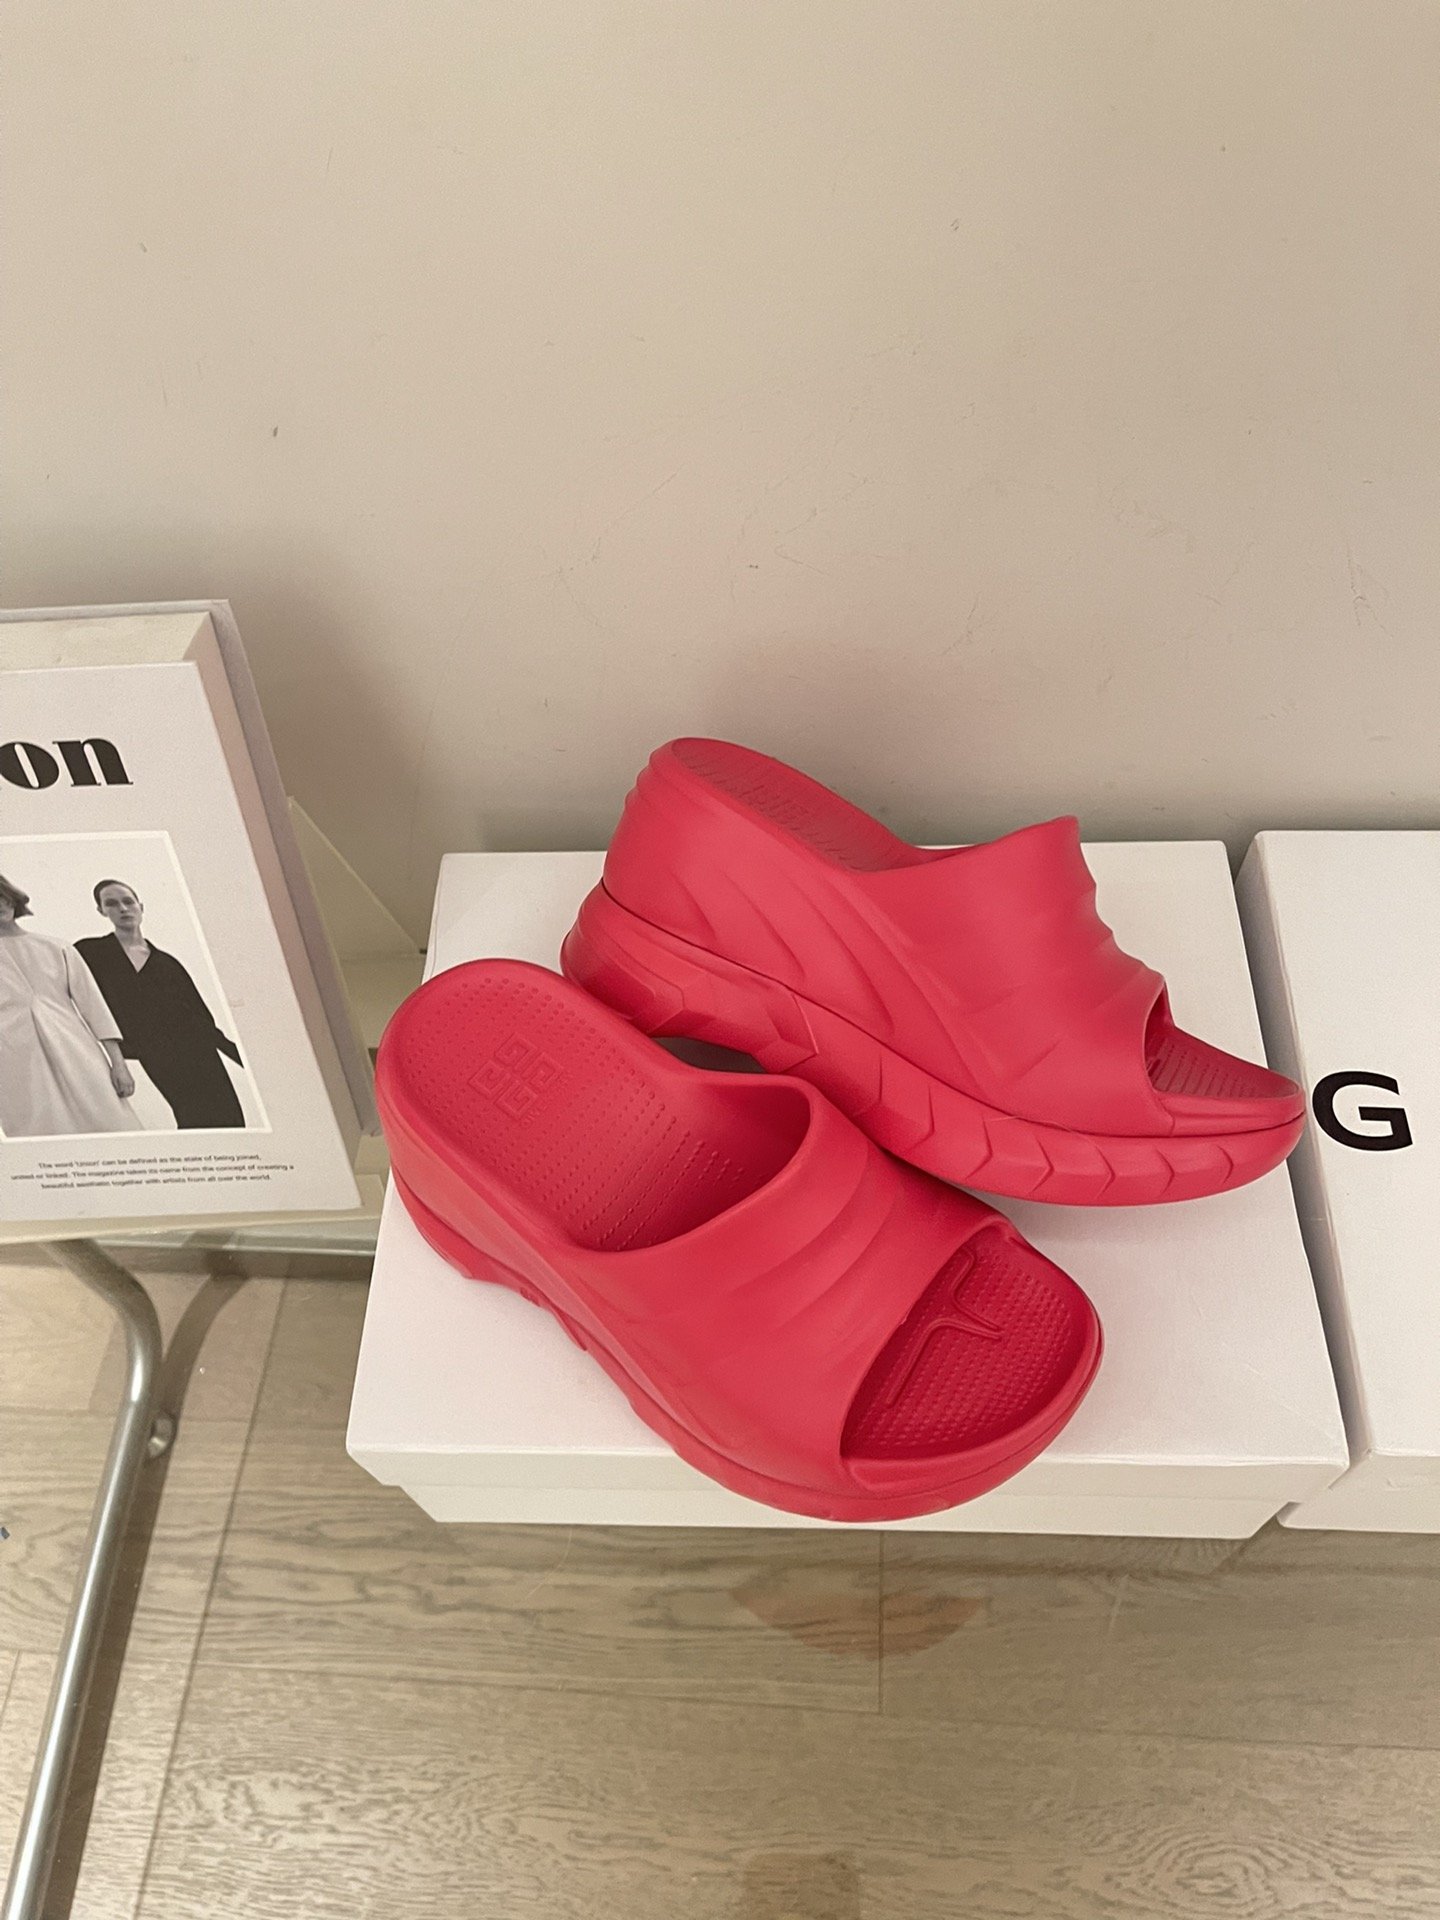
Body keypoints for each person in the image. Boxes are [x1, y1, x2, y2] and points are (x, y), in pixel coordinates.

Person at [75, 879, 246, 1130]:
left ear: (140, 907)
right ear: (101, 911)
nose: (122, 908)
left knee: (228, 1121)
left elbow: (202, 1020)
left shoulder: (168, 964)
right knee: (193, 1121)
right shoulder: (90, 952)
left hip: (200, 1053)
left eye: (128, 901)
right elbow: (82, 1003)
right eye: (111, 903)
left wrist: (243, 1058)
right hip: (152, 1054)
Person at [0, 872, 142, 1138]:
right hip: (16, 1065)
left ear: (12, 900)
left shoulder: (56, 948)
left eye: (3, 897)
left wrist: (118, 1064)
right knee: (40, 1139)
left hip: (76, 1049)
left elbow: (94, 1007)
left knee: (114, 1126)